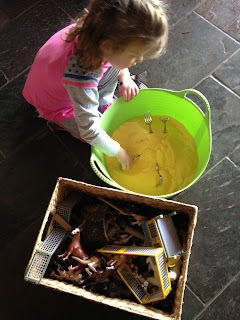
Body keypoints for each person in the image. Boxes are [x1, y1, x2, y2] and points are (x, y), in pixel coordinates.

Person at [23, 0, 168, 170]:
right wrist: (119, 151)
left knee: (118, 66)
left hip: (65, 81)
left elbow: (115, 62)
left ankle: (103, 100)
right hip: (57, 105)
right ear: (108, 46)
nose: (140, 60)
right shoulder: (80, 75)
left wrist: (125, 77)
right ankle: (60, 123)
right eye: (135, 55)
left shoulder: (98, 28)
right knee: (97, 134)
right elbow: (90, 131)